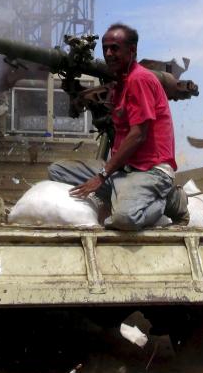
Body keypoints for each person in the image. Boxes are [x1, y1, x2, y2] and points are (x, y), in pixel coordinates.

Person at [48, 23, 188, 230]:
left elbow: (138, 134)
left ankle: (166, 199)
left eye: (115, 48)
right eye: (105, 48)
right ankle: (121, 193)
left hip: (150, 171)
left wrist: (102, 175)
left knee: (124, 219)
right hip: (122, 171)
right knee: (57, 171)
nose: (108, 53)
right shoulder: (121, 83)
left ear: (132, 50)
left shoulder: (139, 79)